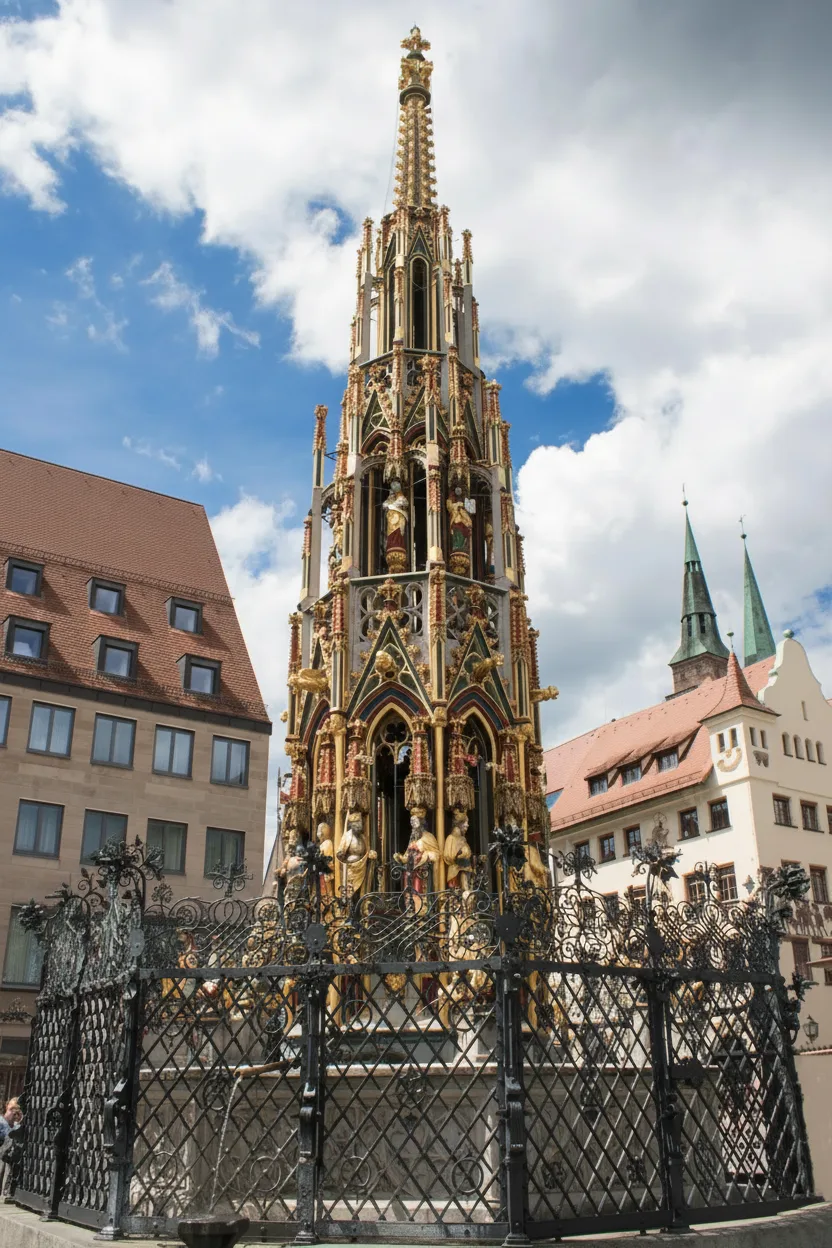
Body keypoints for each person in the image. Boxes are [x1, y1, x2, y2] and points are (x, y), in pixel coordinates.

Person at [0, 1098, 22, 1198]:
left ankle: (5, 1192)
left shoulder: (17, 1125)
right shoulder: (1, 1121)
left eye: (16, 1110)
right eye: (11, 1109)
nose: (14, 1113)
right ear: (6, 1106)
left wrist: (19, 1120)